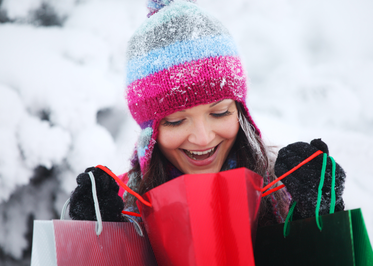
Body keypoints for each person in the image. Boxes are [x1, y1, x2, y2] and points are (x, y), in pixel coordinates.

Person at [69, 0, 346, 228]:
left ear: (241, 113)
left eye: (220, 113)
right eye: (177, 120)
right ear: (149, 132)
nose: (203, 138)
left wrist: (316, 219)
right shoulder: (120, 208)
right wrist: (96, 240)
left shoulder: (282, 194)